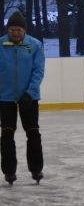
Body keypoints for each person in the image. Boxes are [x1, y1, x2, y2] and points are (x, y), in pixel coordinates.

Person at [0, 11, 45, 186]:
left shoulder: (35, 45)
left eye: (18, 29)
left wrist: (30, 92)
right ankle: (9, 171)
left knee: (33, 131)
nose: (15, 33)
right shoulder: (1, 45)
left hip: (29, 97)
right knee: (7, 133)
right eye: (12, 29)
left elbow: (38, 71)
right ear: (8, 30)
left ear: (24, 30)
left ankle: (36, 169)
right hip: (5, 97)